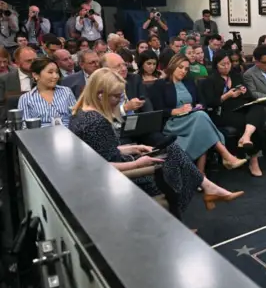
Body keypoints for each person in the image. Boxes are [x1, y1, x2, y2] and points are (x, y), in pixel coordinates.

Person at [70, 68, 243, 214]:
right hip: (118, 177)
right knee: (172, 165)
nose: (118, 102)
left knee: (172, 150)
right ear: (100, 95)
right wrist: (138, 163)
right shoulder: (96, 121)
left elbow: (100, 152)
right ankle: (197, 197)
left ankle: (207, 189)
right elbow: (102, 165)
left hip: (114, 168)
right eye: (116, 97)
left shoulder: (81, 114)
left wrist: (134, 148)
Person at [149, 54, 246, 174]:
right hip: (173, 122)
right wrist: (176, 111)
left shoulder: (189, 82)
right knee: (201, 118)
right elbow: (158, 110)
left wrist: (199, 106)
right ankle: (225, 156)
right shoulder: (160, 85)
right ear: (173, 66)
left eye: (186, 69)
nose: (183, 71)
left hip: (192, 118)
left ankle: (201, 175)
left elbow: (202, 101)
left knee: (201, 121)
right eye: (180, 67)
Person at [201, 52, 266, 177]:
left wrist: (243, 92)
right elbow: (210, 102)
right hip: (223, 111)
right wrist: (227, 96)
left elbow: (248, 95)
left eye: (228, 63)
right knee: (251, 121)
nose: (227, 67)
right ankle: (253, 160)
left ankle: (246, 137)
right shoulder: (210, 80)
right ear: (216, 65)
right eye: (223, 64)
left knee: (259, 108)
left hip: (240, 106)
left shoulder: (236, 75)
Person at [18, 57, 76, 127]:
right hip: (40, 136)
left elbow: (76, 117)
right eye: (50, 72)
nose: (55, 76)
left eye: (57, 72)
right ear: (36, 75)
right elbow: (24, 126)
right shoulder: (26, 98)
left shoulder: (66, 91)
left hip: (68, 134)